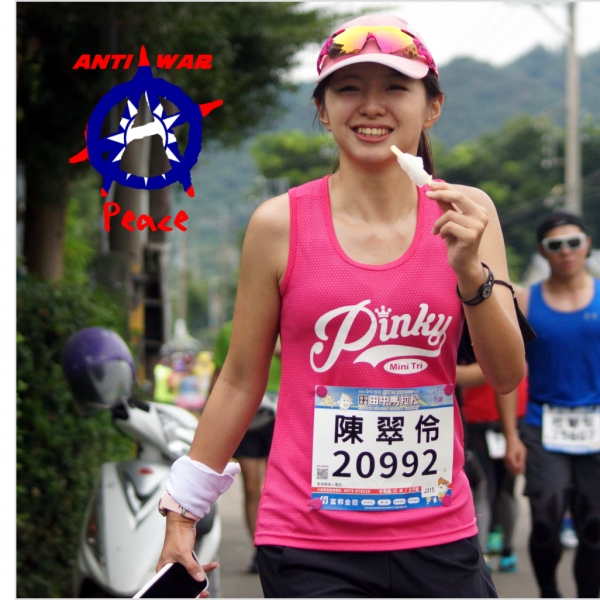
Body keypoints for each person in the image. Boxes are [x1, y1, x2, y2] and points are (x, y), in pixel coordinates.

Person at [156, 13, 525, 597]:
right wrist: (183, 511)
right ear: (324, 110)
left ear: (432, 106)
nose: (371, 106)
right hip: (309, 547)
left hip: (440, 537)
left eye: (395, 88)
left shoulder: (470, 215)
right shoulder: (278, 225)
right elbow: (240, 379)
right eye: (349, 88)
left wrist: (468, 272)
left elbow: (505, 375)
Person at [515, 210, 600, 599]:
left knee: (594, 525)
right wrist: (511, 434)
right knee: (547, 519)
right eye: (555, 245)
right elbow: (509, 371)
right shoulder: (525, 301)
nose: (565, 251)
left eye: (573, 242)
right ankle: (549, 592)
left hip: (595, 424)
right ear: (542, 251)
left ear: (587, 245)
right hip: (541, 423)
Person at [211, 319, 280, 574]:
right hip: (249, 414)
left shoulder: (289, 321)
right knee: (252, 486)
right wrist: (214, 417)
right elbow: (222, 374)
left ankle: (281, 546)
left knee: (278, 486)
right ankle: (259, 549)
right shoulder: (230, 329)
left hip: (283, 413)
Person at [456, 361, 528, 573]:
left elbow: (505, 369)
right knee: (483, 489)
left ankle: (507, 549)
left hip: (512, 418)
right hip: (475, 420)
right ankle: (483, 552)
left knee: (505, 491)